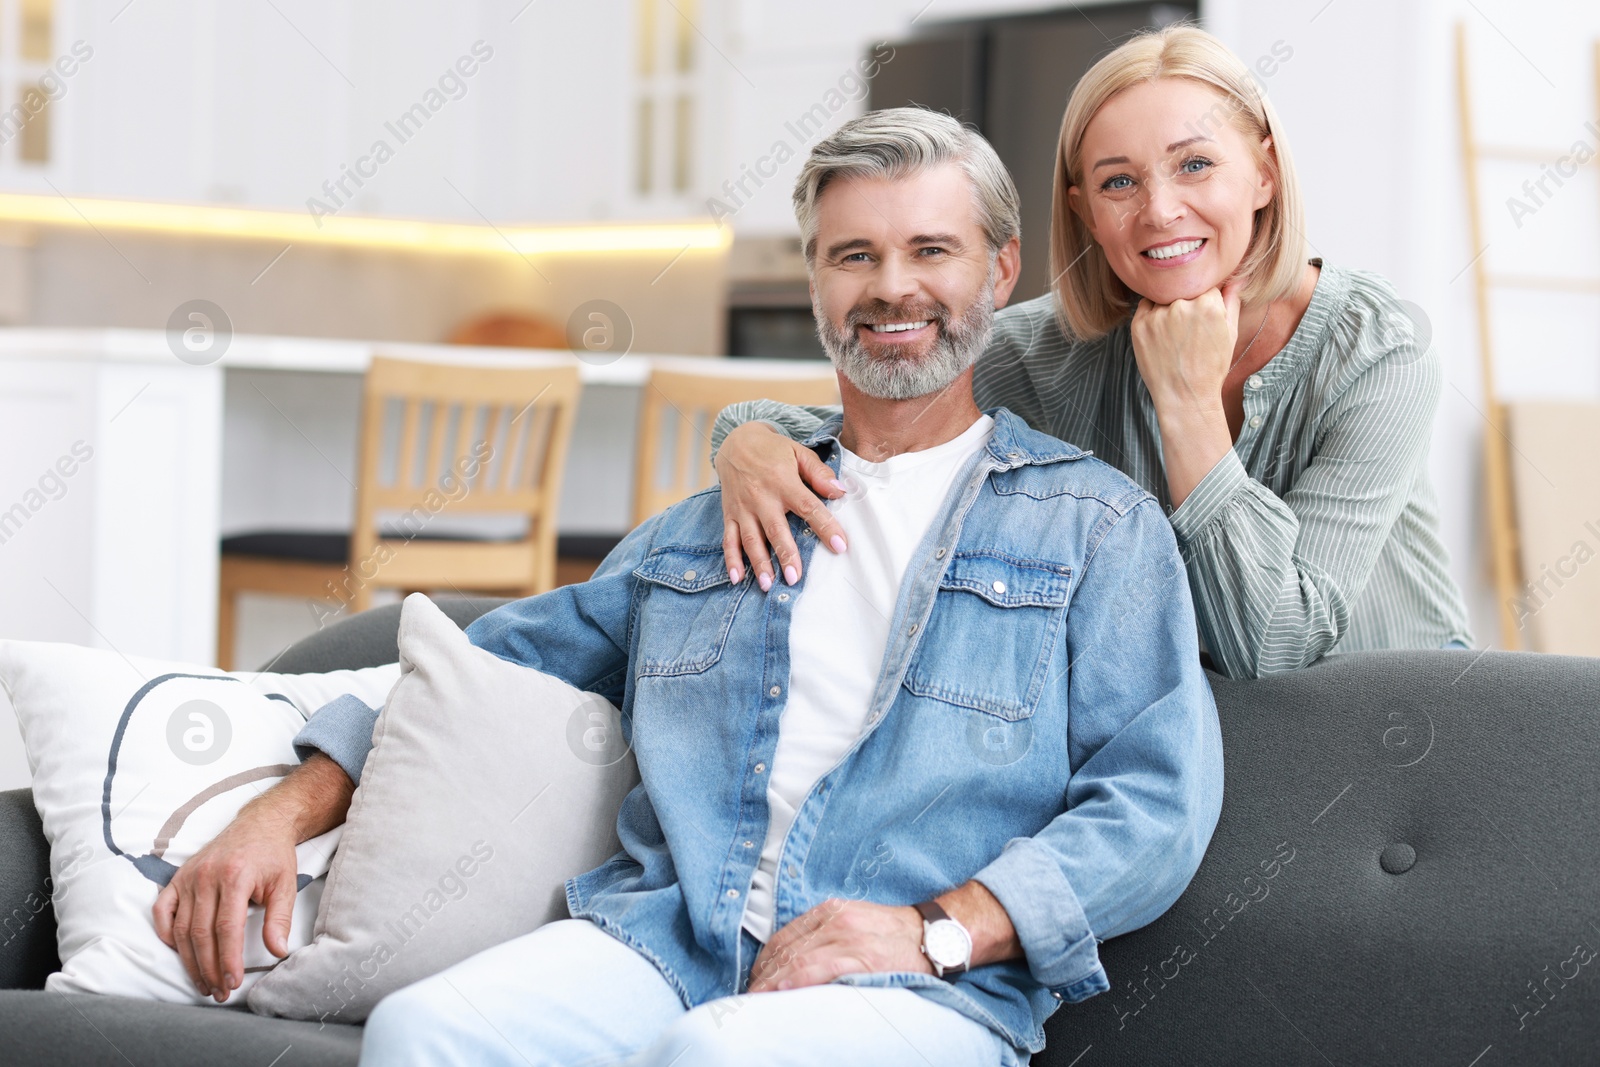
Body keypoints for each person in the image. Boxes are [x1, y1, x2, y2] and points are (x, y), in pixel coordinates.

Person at [153, 109, 1223, 1067]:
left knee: (718, 1055)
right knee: (424, 1031)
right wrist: (276, 815)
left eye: (929, 249)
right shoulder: (708, 528)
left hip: (916, 985)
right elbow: (481, 672)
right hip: (667, 937)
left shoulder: (1095, 526)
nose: (892, 285)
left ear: (999, 271)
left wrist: (939, 927)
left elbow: (1155, 801)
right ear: (817, 285)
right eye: (855, 254)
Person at [711, 24, 1473, 679]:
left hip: (1394, 740)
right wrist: (743, 439)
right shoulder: (1049, 348)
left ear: (1265, 173)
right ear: (1085, 212)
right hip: (1199, 740)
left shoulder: (1379, 355)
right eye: (1119, 182)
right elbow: (865, 427)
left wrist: (1186, 405)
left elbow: (1273, 644)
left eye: (1196, 164)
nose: (1160, 209)